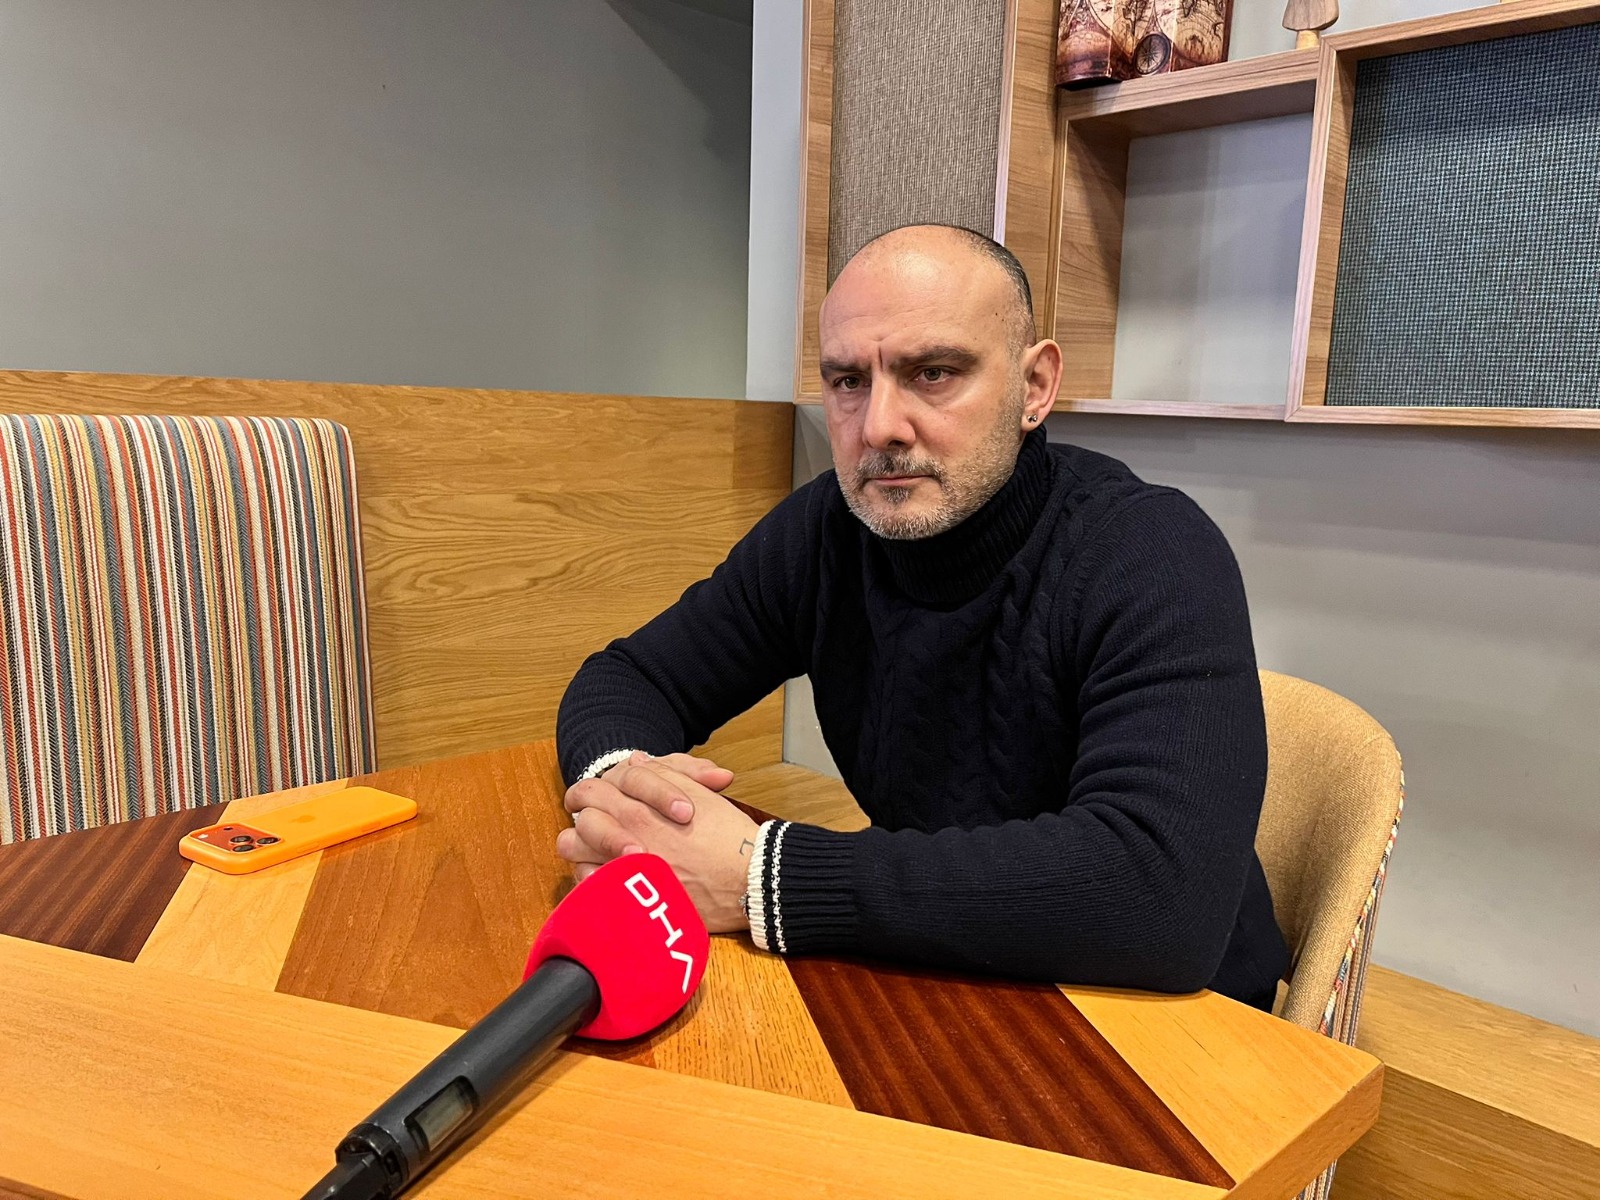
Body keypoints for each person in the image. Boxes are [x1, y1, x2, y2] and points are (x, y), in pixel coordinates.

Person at [554, 223, 1289, 1010]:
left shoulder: (1152, 550)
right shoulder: (826, 532)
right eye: (848, 381)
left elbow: (1162, 897)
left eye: (933, 373)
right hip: (952, 971)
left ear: (1035, 386)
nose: (878, 427)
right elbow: (630, 677)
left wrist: (760, 876)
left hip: (1173, 1018)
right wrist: (627, 803)